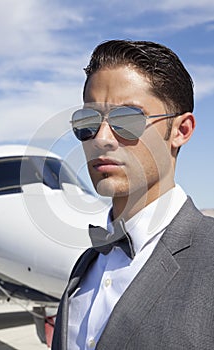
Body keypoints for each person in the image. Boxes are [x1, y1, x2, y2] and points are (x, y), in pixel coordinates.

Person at [52, 40, 214, 350]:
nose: (101, 139)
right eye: (87, 123)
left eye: (126, 120)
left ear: (181, 130)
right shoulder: (84, 269)